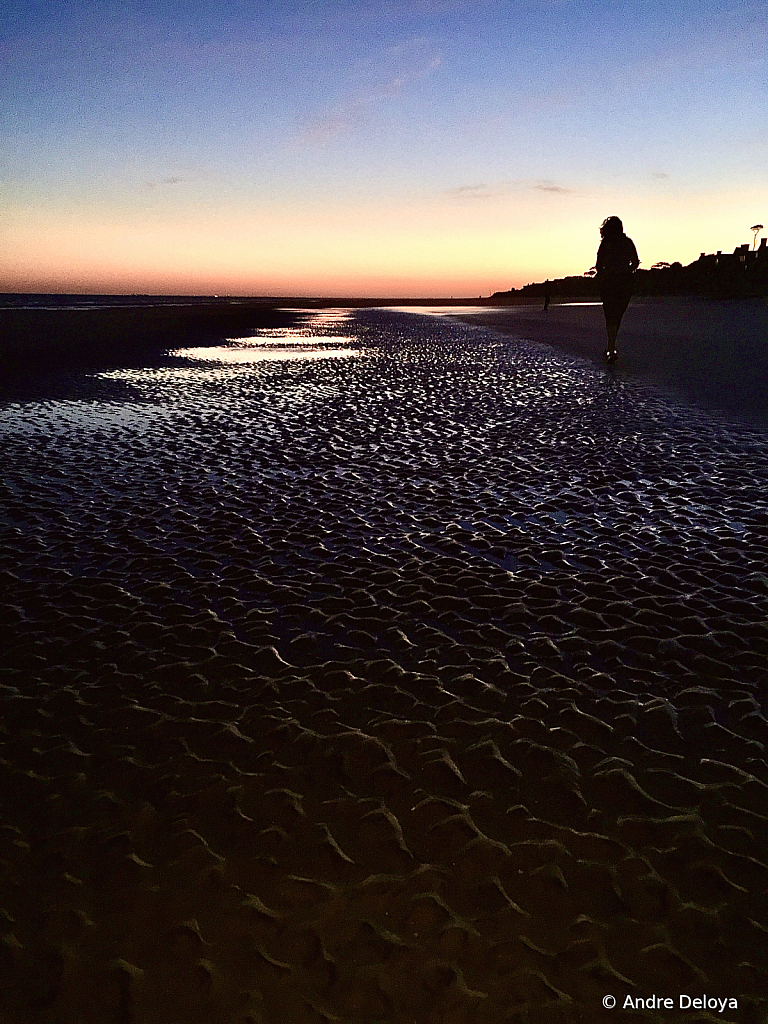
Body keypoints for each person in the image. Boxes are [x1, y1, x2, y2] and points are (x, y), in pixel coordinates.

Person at [596, 216, 639, 362]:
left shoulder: (606, 244)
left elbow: (598, 264)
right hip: (625, 282)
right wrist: (627, 270)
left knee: (610, 315)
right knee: (618, 315)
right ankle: (611, 347)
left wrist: (604, 273)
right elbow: (635, 261)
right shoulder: (627, 242)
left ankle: (611, 347)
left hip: (609, 282)